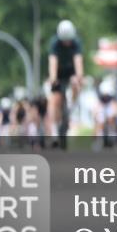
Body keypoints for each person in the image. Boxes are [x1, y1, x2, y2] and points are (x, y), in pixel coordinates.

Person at [47, 19, 84, 148]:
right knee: (54, 99)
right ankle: (54, 130)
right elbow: (53, 61)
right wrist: (53, 78)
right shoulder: (55, 43)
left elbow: (78, 61)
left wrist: (79, 76)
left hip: (71, 72)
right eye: (65, 41)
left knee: (76, 84)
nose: (67, 43)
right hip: (58, 73)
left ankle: (72, 105)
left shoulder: (76, 43)